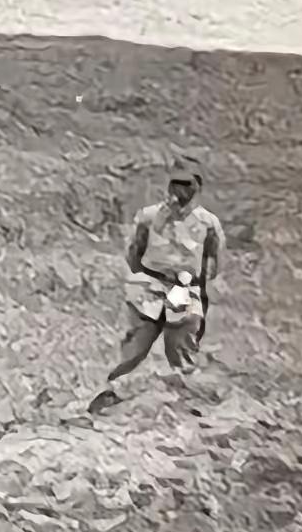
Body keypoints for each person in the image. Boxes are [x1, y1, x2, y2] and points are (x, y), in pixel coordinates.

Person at [89, 158, 225, 415]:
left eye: (187, 184)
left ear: (197, 186)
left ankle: (186, 402)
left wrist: (186, 282)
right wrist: (150, 279)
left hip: (185, 287)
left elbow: (213, 262)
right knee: (137, 344)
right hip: (150, 285)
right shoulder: (150, 217)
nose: (180, 190)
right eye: (176, 184)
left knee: (182, 343)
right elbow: (134, 253)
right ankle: (107, 392)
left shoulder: (208, 224)